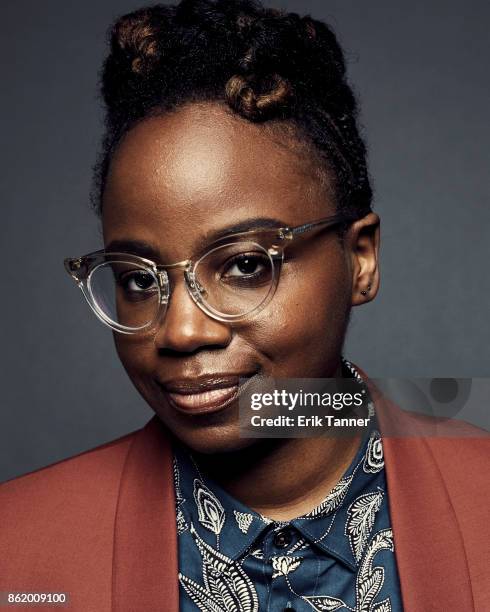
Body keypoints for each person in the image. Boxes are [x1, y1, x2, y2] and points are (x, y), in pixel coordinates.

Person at [0, 1, 488, 610]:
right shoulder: (15, 553)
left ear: (360, 258)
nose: (180, 331)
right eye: (139, 279)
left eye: (244, 265)